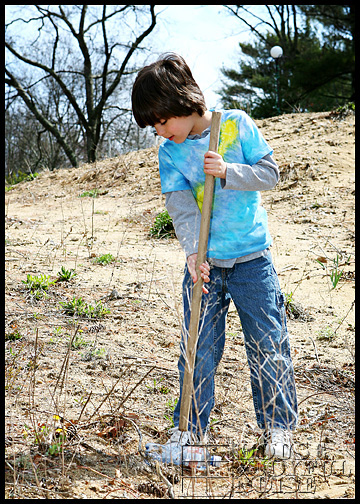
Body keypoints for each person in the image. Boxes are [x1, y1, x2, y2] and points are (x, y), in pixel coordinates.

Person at [132, 53, 297, 459]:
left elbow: (271, 173)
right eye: (152, 125)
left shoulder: (235, 125)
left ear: (180, 102)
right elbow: (180, 204)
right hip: (205, 265)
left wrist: (228, 171)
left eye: (160, 120)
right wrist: (192, 252)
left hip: (252, 261)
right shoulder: (170, 153)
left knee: (267, 342)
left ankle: (277, 430)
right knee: (197, 347)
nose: (158, 130)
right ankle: (189, 434)